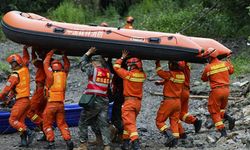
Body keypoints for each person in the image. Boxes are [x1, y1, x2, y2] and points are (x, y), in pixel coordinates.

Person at [0, 46, 35, 147]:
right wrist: (25, 49)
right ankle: (23, 141)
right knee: (20, 121)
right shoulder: (25, 69)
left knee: (12, 120)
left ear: (16, 63)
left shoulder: (14, 75)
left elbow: (5, 91)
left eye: (12, 63)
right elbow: (26, 59)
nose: (11, 65)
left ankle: (29, 132)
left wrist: (1, 98)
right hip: (27, 100)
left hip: (21, 101)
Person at [78, 47, 112, 150]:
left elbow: (82, 64)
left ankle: (83, 145)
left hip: (94, 100)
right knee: (102, 122)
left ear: (95, 62)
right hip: (104, 100)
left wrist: (88, 53)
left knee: (83, 121)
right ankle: (106, 145)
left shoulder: (93, 69)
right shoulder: (108, 72)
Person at [113, 50, 146, 150]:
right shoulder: (142, 75)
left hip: (129, 102)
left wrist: (122, 57)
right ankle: (125, 143)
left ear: (132, 65)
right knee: (129, 122)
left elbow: (116, 67)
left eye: (129, 65)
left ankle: (135, 143)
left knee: (129, 123)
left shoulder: (128, 75)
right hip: (138, 103)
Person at [43, 50, 74, 149]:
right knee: (61, 123)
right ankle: (68, 140)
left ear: (52, 68)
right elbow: (67, 64)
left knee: (47, 124)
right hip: (61, 104)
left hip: (51, 104)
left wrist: (50, 52)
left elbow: (45, 63)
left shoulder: (50, 75)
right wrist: (64, 55)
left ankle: (51, 143)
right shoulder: (64, 74)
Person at [201, 48, 235, 138]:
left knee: (214, 112)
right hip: (226, 90)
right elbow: (231, 71)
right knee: (221, 109)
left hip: (216, 91)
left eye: (207, 57)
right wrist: (228, 61)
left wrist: (207, 68)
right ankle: (228, 117)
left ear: (210, 57)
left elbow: (203, 79)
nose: (207, 59)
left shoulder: (209, 67)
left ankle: (223, 132)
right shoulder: (225, 64)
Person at [155, 60, 185, 147]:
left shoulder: (170, 74)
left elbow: (159, 72)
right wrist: (161, 83)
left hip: (169, 101)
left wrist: (157, 62)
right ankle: (174, 143)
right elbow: (171, 81)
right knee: (174, 121)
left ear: (173, 65)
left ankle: (169, 135)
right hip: (177, 102)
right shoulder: (182, 76)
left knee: (159, 121)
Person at [26, 47, 47, 138]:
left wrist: (32, 49)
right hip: (46, 92)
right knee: (40, 112)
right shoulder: (50, 64)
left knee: (29, 111)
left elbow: (34, 60)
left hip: (40, 91)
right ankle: (46, 133)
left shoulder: (42, 64)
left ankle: (42, 123)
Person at [178, 61, 202, 136]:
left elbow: (180, 65)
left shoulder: (182, 63)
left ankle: (181, 133)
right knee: (182, 114)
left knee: (174, 114)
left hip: (180, 91)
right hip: (186, 91)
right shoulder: (187, 63)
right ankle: (195, 121)